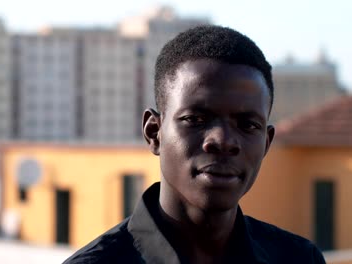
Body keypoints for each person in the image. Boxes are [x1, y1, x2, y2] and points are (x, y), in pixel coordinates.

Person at [64, 25, 326, 264]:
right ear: (154, 133)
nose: (223, 141)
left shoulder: (299, 258)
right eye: (196, 119)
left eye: (247, 125)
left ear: (266, 144)